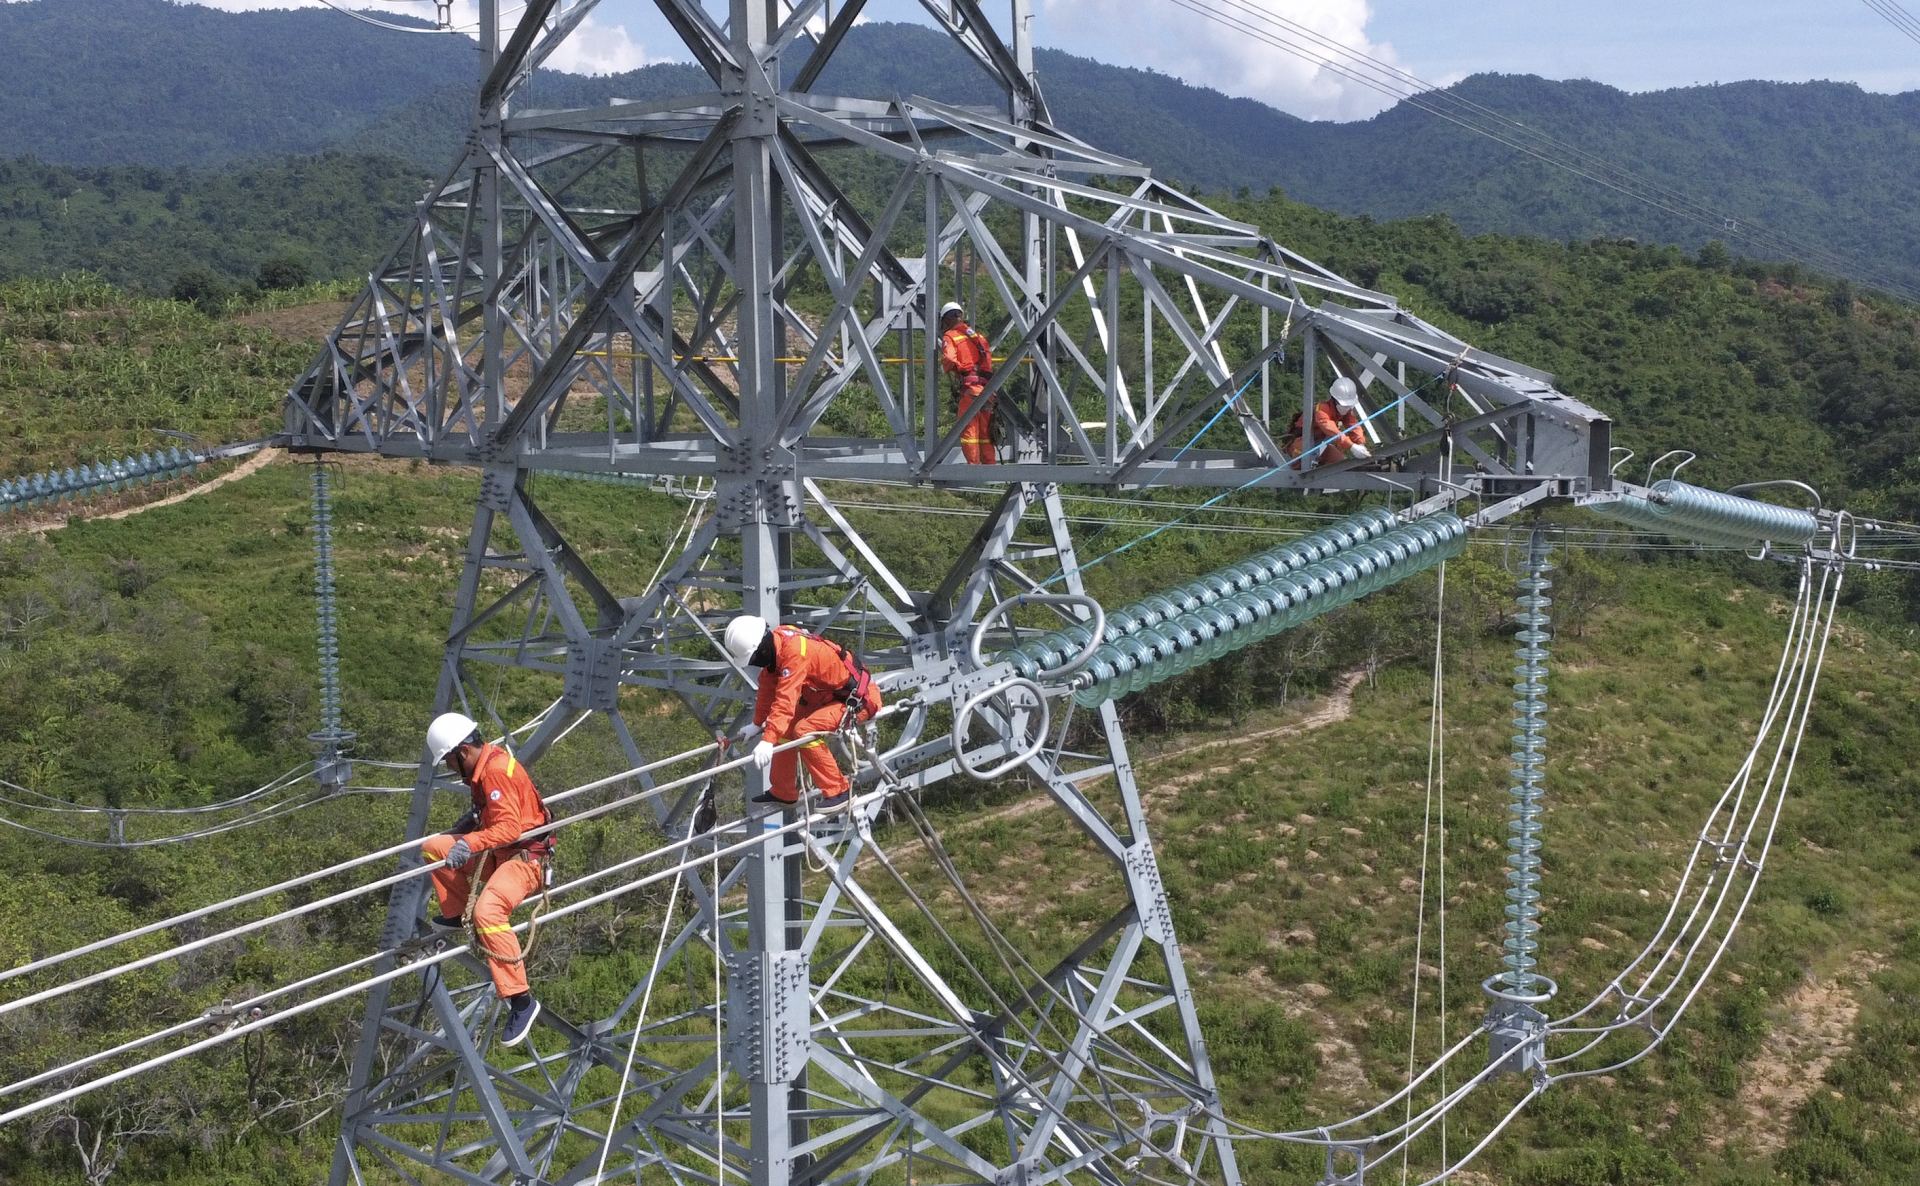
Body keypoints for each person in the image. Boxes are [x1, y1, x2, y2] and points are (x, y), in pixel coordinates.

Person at [421, 712, 553, 1047]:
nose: (450, 769)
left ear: (462, 752)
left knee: (487, 914)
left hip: (524, 861)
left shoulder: (495, 772)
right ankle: (453, 913)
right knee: (434, 848)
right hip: (501, 855)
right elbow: (491, 818)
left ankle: (521, 1001)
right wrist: (465, 830)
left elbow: (509, 829)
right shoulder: (486, 767)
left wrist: (469, 843)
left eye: (449, 761)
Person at [723, 614, 881, 808]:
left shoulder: (795, 653)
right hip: (829, 696)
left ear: (761, 649)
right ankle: (783, 791)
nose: (755, 663)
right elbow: (768, 687)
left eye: (753, 658)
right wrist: (757, 723)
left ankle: (839, 791)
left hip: (858, 700)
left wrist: (767, 741)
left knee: (804, 730)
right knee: (785, 727)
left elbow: (785, 701)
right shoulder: (780, 643)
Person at [938, 301, 996, 465]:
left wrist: (953, 368)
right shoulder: (978, 337)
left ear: (947, 320)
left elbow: (949, 358)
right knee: (986, 432)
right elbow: (987, 362)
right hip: (986, 391)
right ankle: (990, 464)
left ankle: (973, 465)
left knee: (969, 429)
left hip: (970, 391)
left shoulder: (951, 336)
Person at [1282, 376, 1373, 467]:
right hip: (1302, 443)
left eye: (1349, 406)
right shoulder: (1322, 409)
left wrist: (1361, 443)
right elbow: (1330, 428)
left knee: (1339, 461)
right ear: (1335, 400)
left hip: (1320, 444)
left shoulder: (1346, 411)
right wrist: (1351, 446)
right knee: (1302, 458)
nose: (1347, 409)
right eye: (1344, 405)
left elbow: (1354, 426)